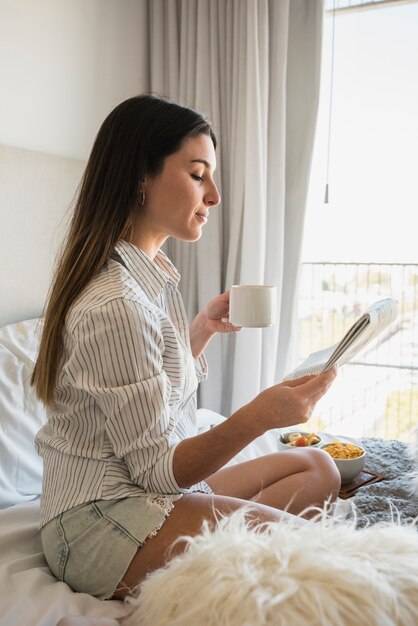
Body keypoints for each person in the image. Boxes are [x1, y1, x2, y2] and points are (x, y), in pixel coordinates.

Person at [32, 94, 340, 603]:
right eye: (199, 174)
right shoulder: (116, 304)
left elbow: (154, 400)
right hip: (98, 522)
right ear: (140, 176)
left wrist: (197, 330)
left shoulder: (151, 284)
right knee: (302, 553)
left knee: (317, 468)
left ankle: (209, 569)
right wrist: (259, 415)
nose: (215, 195)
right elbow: (156, 469)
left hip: (150, 492)